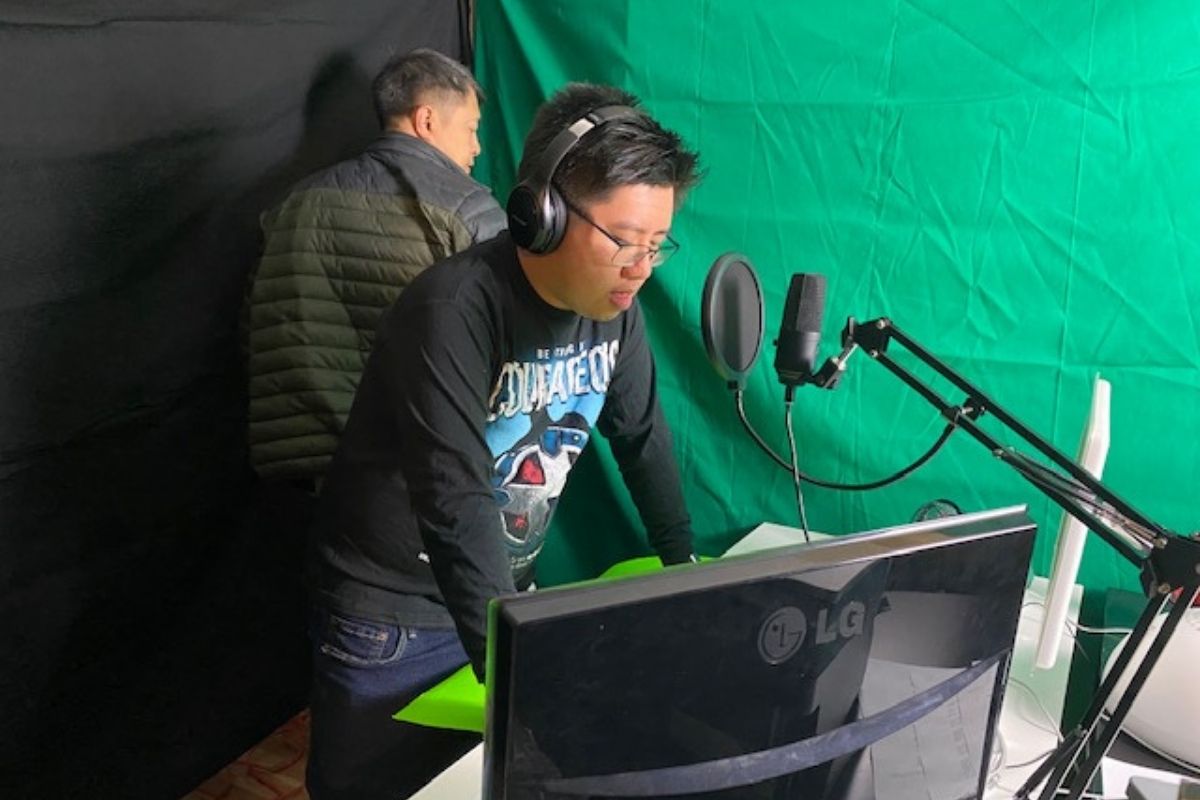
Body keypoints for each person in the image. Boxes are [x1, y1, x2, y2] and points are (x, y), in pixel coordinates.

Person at [304, 81, 703, 799]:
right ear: (542, 213)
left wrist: (687, 570)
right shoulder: (453, 308)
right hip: (395, 617)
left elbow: (642, 436)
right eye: (623, 240)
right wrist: (515, 668)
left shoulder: (615, 309)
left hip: (502, 595)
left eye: (655, 245)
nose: (640, 267)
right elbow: (454, 495)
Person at [246, 48, 507, 484]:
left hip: (291, 473)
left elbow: (251, 325)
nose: (476, 147)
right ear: (427, 120)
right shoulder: (467, 208)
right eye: (471, 129)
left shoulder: (292, 203)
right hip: (407, 475)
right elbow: (504, 347)